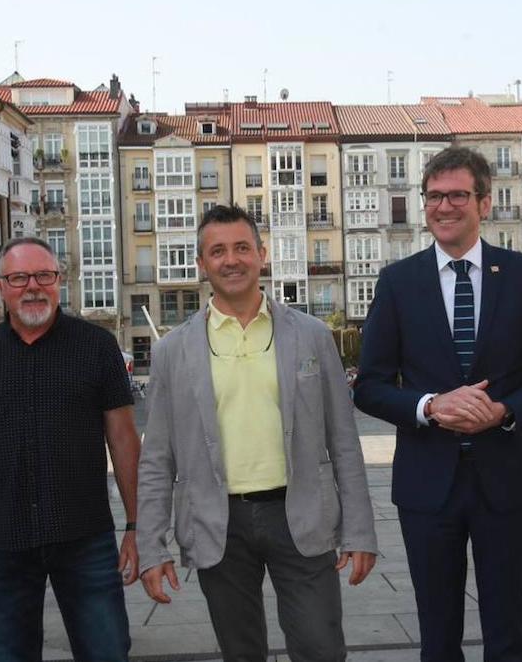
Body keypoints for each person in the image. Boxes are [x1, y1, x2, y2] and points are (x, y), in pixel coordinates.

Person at [354, 147, 522, 661]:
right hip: (428, 486)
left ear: (484, 203)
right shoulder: (398, 283)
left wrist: (503, 411)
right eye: (433, 196)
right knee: (437, 633)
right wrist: (430, 405)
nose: (444, 206)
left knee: (506, 633)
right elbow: (369, 385)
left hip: (506, 481)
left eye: (457, 195)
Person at [137, 205, 377, 662]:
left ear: (262, 255)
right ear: (201, 264)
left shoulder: (310, 336)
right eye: (218, 251)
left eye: (242, 248)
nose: (232, 260)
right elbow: (157, 460)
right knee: (241, 652)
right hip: (217, 524)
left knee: (322, 649)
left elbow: (344, 440)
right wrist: (152, 547)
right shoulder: (173, 351)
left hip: (300, 514)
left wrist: (360, 531)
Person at [0, 237, 140, 662]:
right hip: (0, 543)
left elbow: (124, 441)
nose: (33, 287)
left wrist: (138, 527)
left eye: (44, 275)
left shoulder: (97, 348)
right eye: (19, 277)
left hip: (85, 537)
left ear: (60, 281)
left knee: (107, 652)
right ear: (1, 286)